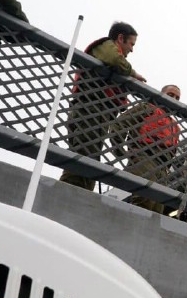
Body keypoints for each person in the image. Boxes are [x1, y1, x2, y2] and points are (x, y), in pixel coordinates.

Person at [60, 21, 147, 190]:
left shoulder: (111, 56)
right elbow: (114, 59)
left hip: (97, 114)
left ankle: (81, 195)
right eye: (131, 44)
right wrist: (133, 73)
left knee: (89, 160)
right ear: (120, 38)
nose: (132, 49)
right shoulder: (106, 47)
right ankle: (65, 196)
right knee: (82, 159)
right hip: (89, 110)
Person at [109, 84, 181, 214]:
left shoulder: (175, 126)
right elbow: (120, 124)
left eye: (177, 98)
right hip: (144, 158)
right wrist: (120, 152)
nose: (174, 99)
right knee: (144, 200)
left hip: (163, 168)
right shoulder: (146, 107)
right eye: (170, 95)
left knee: (158, 207)